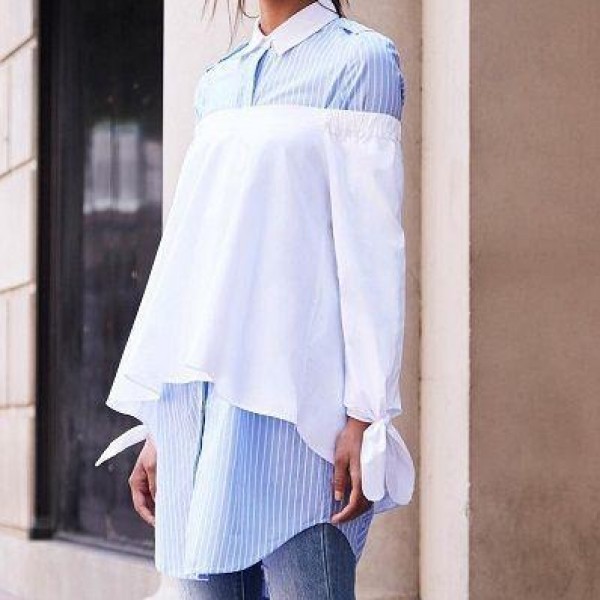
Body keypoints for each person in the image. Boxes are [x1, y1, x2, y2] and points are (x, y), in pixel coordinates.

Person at [95, 1, 415, 598]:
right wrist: (162, 427)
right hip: (202, 412)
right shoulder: (219, 81)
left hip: (301, 411)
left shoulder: (359, 61)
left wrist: (365, 412)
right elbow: (195, 258)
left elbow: (373, 248)